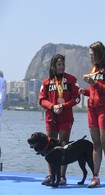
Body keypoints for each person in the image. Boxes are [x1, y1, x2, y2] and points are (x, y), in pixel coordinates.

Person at [79, 41, 105, 189]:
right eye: (89, 55)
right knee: (96, 144)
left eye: (93, 55)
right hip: (92, 109)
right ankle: (95, 176)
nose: (91, 58)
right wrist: (86, 92)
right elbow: (96, 92)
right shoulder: (94, 68)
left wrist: (94, 83)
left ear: (100, 54)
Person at [39, 54, 80, 186]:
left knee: (63, 146)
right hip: (51, 118)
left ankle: (62, 176)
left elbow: (77, 98)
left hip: (65, 118)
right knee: (49, 147)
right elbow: (41, 99)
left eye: (63, 64)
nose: (62, 67)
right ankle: (51, 175)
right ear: (53, 66)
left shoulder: (71, 80)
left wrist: (63, 106)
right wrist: (52, 106)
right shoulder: (46, 82)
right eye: (59, 64)